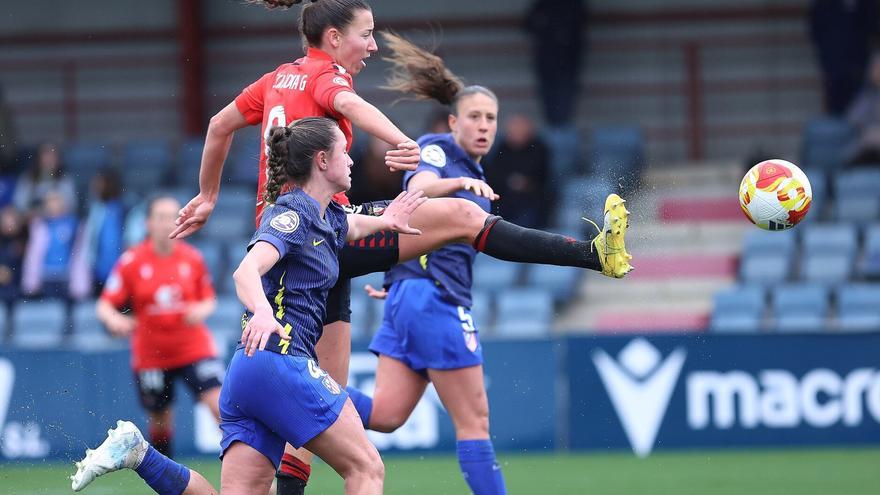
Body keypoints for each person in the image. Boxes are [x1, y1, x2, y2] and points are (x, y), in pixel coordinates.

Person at [172, 1, 633, 491]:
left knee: (316, 401)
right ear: (333, 38)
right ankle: (591, 254)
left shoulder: (274, 80)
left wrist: (208, 196)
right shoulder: (324, 75)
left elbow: (218, 125)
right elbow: (352, 106)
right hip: (322, 232)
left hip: (305, 252)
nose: (372, 46)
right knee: (462, 217)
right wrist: (403, 141)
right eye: (366, 34)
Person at [72, 117, 428, 495]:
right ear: (322, 160)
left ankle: (140, 454)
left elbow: (350, 227)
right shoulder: (292, 214)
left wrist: (386, 222)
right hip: (282, 361)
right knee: (366, 467)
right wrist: (262, 310)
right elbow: (246, 271)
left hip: (249, 372)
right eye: (344, 151)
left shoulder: (328, 216)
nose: (352, 159)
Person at [96, 194, 223, 460]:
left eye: (173, 217)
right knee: (161, 421)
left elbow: (209, 299)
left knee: (221, 407)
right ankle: (167, 475)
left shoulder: (192, 258)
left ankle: (247, 474)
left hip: (193, 347)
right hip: (151, 355)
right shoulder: (132, 261)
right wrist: (114, 319)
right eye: (161, 217)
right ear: (148, 223)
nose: (168, 223)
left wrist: (201, 310)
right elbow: (105, 305)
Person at [13, 142, 77, 217]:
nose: (49, 159)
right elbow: (19, 205)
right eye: (45, 155)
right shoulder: (27, 178)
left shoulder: (65, 178)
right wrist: (36, 213)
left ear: (58, 160)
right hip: (31, 219)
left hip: (58, 220)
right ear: (38, 159)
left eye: (52, 156)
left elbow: (71, 205)